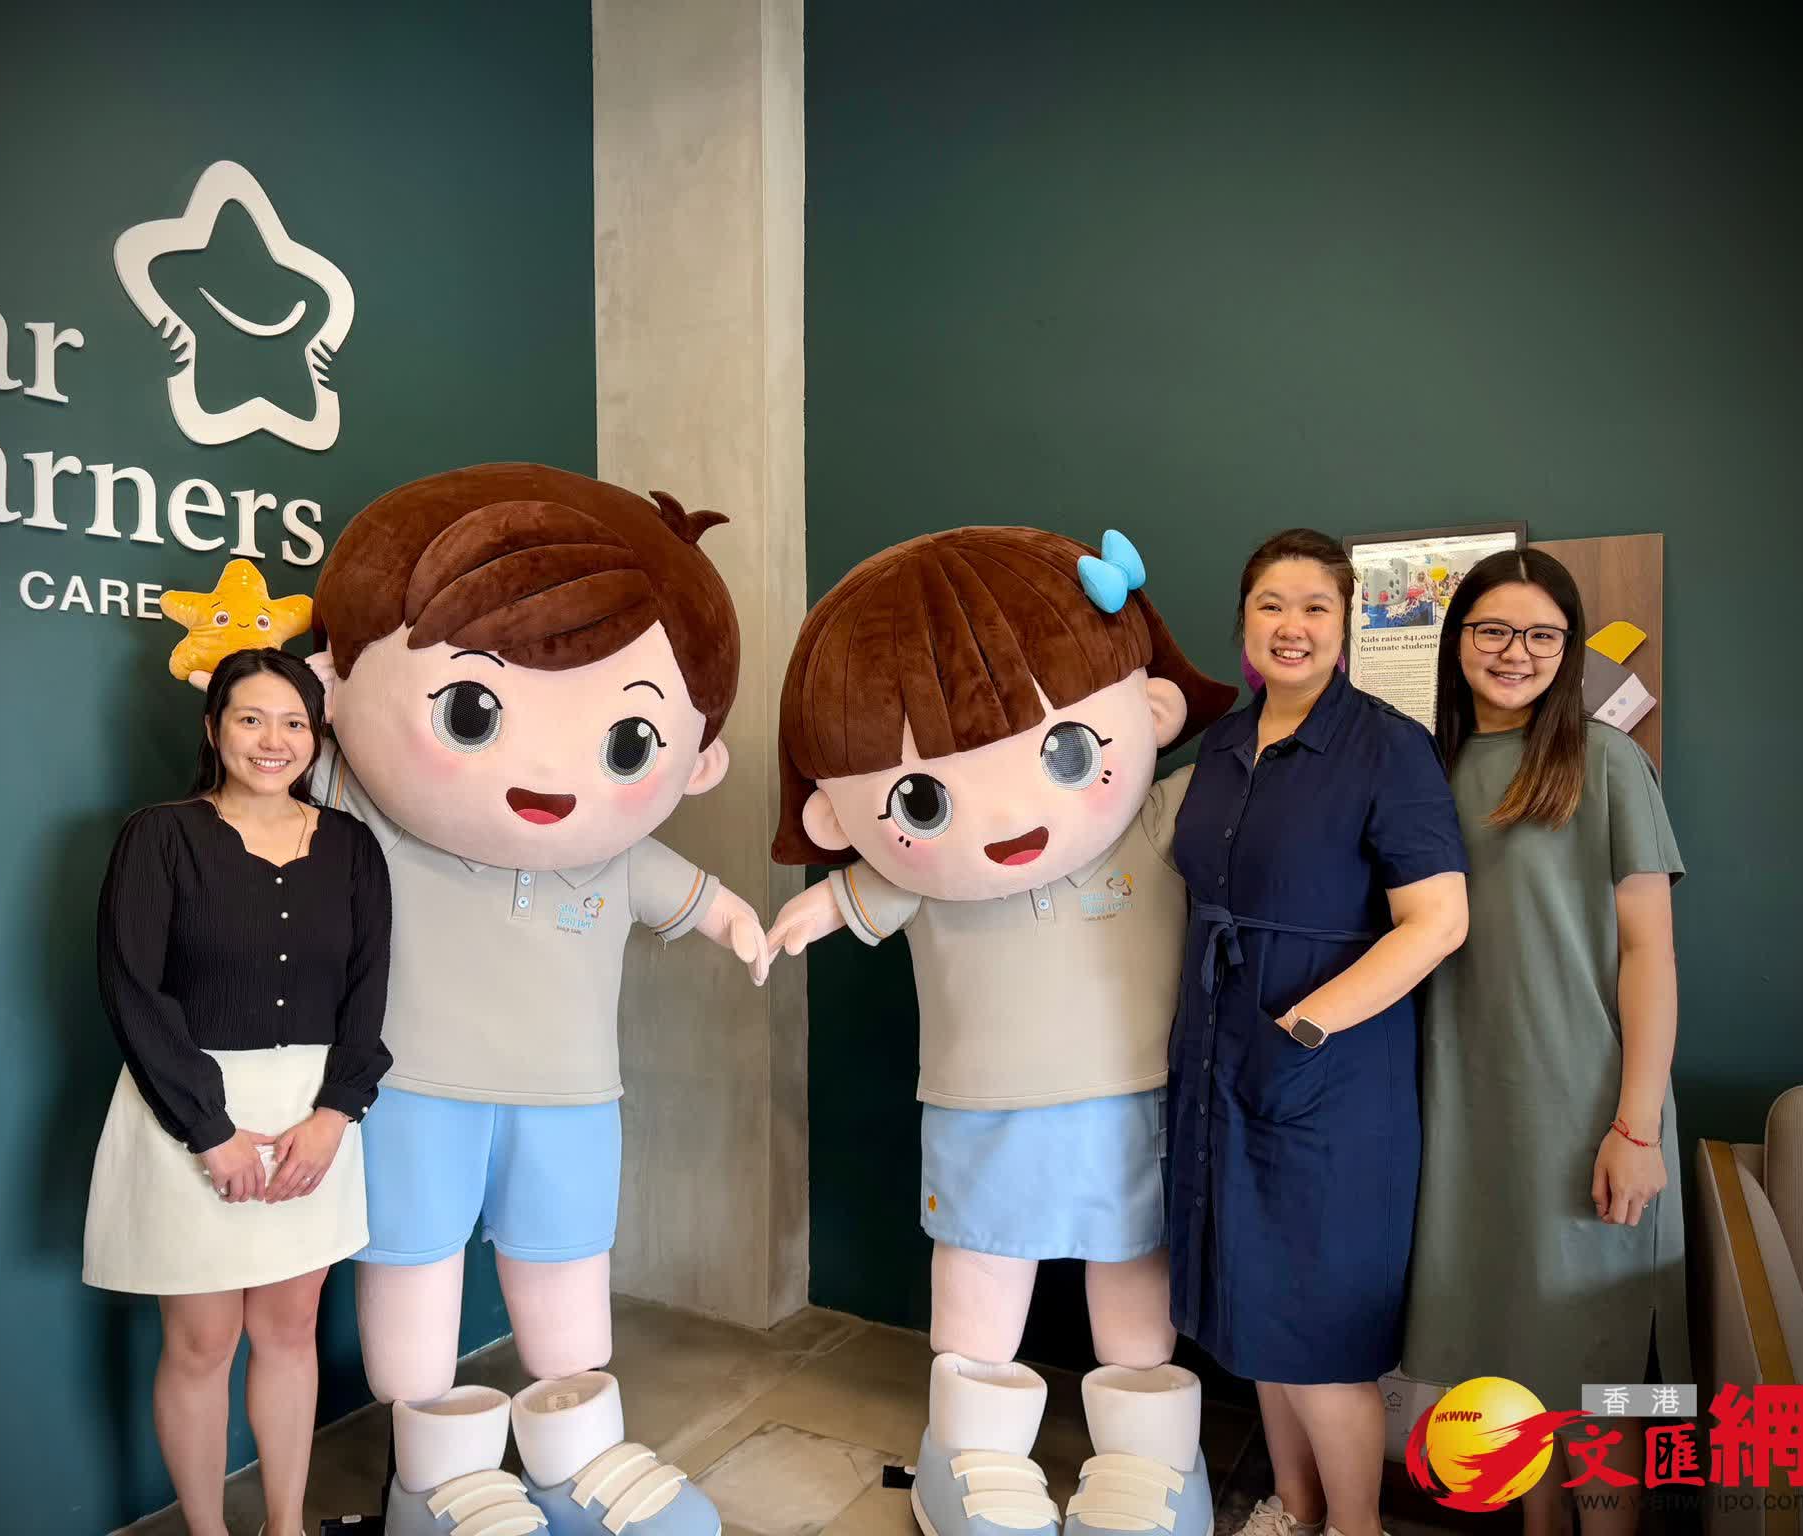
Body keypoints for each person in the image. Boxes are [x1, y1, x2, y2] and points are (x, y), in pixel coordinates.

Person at [306, 464, 768, 1536]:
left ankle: (573, 1454)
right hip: (411, 1091)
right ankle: (432, 1474)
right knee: (414, 1273)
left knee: (564, 1268)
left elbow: (701, 901)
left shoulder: (617, 855)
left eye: (626, 740)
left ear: (695, 758)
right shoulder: (372, 816)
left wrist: (743, 923)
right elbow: (290, 760)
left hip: (571, 1099)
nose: (549, 771)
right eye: (474, 710)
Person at [765, 526, 1240, 1536]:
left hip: (1133, 1101)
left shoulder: (1156, 822)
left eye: (1062, 753)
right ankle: (971, 1451)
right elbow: (859, 891)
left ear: (1152, 713)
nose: (1009, 811)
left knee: (1133, 1273)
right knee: (982, 1268)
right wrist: (816, 905)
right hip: (981, 1106)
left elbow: (1251, 793)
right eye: (925, 796)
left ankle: (1149, 1457)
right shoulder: (909, 875)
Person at [1164, 529, 1468, 1536]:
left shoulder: (1387, 747)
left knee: (1318, 1333)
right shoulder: (1221, 746)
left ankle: (1352, 1527)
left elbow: (1438, 922)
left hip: (1329, 1072)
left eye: (1314, 607)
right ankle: (1290, 1511)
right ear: (1243, 622)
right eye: (1270, 605)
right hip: (1219, 1053)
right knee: (1253, 1307)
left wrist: (1301, 1029)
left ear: (1347, 624)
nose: (1290, 626)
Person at [1403, 549, 1686, 1536]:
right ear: (1457, 641)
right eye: (1491, 629)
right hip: (1465, 1106)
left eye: (1540, 635)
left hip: (1590, 1106)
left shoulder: (1606, 762)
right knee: (1509, 1364)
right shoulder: (1425, 768)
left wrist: (1635, 1127)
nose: (1513, 652)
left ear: (1567, 650)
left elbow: (1649, 954)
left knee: (1600, 1376)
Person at [84, 647, 393, 1536]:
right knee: (201, 1343)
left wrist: (335, 1115)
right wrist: (209, 1131)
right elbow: (132, 990)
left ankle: (284, 1524)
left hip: (313, 1114)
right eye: (252, 718)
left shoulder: (352, 847)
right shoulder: (160, 836)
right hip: (186, 1109)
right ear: (213, 728)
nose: (273, 740)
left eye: (294, 722)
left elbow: (369, 991)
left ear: (316, 735)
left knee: (290, 1331)